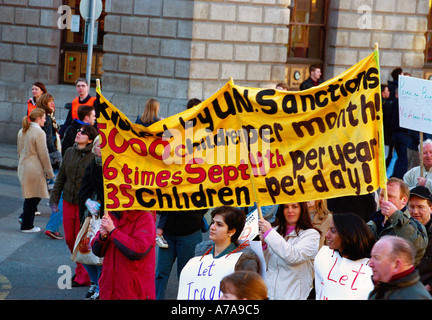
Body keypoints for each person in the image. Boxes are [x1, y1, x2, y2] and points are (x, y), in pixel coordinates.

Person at [49, 124, 98, 287]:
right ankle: (82, 269)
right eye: (79, 131)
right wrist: (54, 199)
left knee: (82, 240)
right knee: (70, 239)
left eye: (84, 133)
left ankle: (83, 275)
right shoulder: (69, 152)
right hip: (69, 201)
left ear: (90, 139)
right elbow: (61, 177)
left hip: (86, 205)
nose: (79, 133)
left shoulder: (94, 156)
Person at [258, 202, 320, 299]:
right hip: (270, 295)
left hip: (294, 296)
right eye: (286, 207)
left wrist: (270, 234)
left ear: (302, 210)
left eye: (295, 207)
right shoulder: (273, 231)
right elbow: (266, 265)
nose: (290, 210)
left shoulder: (312, 235)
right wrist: (264, 245)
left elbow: (294, 256)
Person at [92, 210, 156, 299]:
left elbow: (138, 250)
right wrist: (102, 237)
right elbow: (97, 251)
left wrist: (113, 231)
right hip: (108, 289)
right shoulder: (111, 215)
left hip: (133, 292)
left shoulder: (145, 217)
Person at [367, 177, 428, 266]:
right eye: (382, 195)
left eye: (390, 196)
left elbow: (417, 247)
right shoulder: (371, 222)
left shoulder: (415, 225)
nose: (384, 200)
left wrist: (395, 215)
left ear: (404, 200)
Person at [314, 213, 375, 300]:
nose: (327, 235)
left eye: (333, 231)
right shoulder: (325, 259)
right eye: (328, 230)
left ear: (348, 234)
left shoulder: (372, 268)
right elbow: (317, 291)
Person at [17, 108, 54, 232]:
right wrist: (50, 172)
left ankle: (25, 220)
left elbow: (19, 151)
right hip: (34, 168)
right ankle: (27, 225)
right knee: (34, 197)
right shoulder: (39, 132)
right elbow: (43, 154)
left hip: (23, 166)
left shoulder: (22, 131)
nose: (45, 120)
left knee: (31, 196)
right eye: (43, 118)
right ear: (38, 118)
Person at [194, 206, 261, 271]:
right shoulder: (201, 249)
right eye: (213, 222)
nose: (212, 227)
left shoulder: (245, 258)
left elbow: (248, 282)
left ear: (231, 231)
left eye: (219, 224)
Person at [78, 136, 104, 299]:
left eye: (102, 146)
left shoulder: (111, 166)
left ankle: (100, 285)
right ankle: (94, 282)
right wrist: (88, 202)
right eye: (97, 145)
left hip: (104, 216)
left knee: (100, 253)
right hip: (89, 215)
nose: (99, 148)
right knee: (85, 251)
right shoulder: (91, 165)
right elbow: (83, 190)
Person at [407, 186, 432, 292]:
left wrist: (429, 287)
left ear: (431, 208)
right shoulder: (401, 231)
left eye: (420, 207)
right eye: (411, 206)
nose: (415, 211)